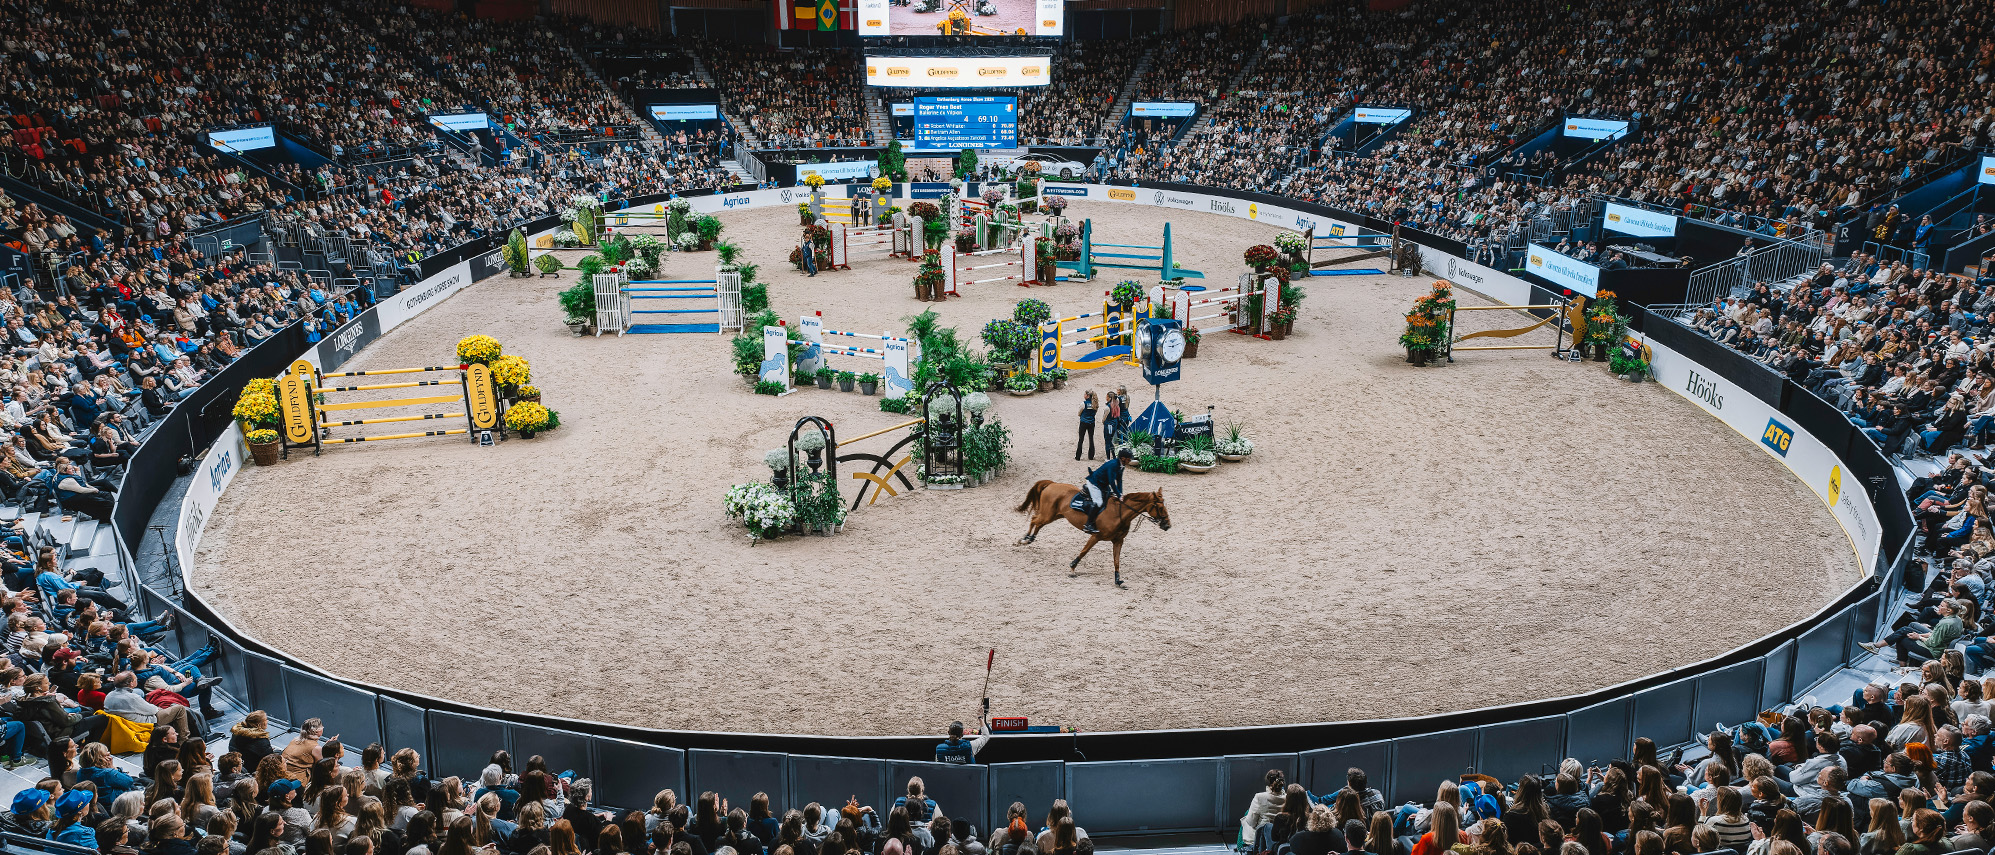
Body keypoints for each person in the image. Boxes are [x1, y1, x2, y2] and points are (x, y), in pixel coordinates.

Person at [1079, 448, 1131, 534]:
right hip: (1094, 483)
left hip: (1103, 484)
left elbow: (1119, 480)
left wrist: (1120, 493)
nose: (1130, 460)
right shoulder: (1114, 465)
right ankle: (1088, 525)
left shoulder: (1122, 465)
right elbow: (1111, 481)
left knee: (1109, 499)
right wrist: (1118, 494)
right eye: (1129, 458)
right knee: (1098, 502)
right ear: (1123, 458)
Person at [1075, 391, 1097, 461]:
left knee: (1081, 439)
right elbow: (1095, 412)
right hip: (1091, 423)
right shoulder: (1095, 404)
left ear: (1087, 396)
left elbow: (1079, 413)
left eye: (1084, 394)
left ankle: (1078, 456)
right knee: (1091, 439)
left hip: (1083, 422)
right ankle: (1091, 456)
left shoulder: (1083, 404)